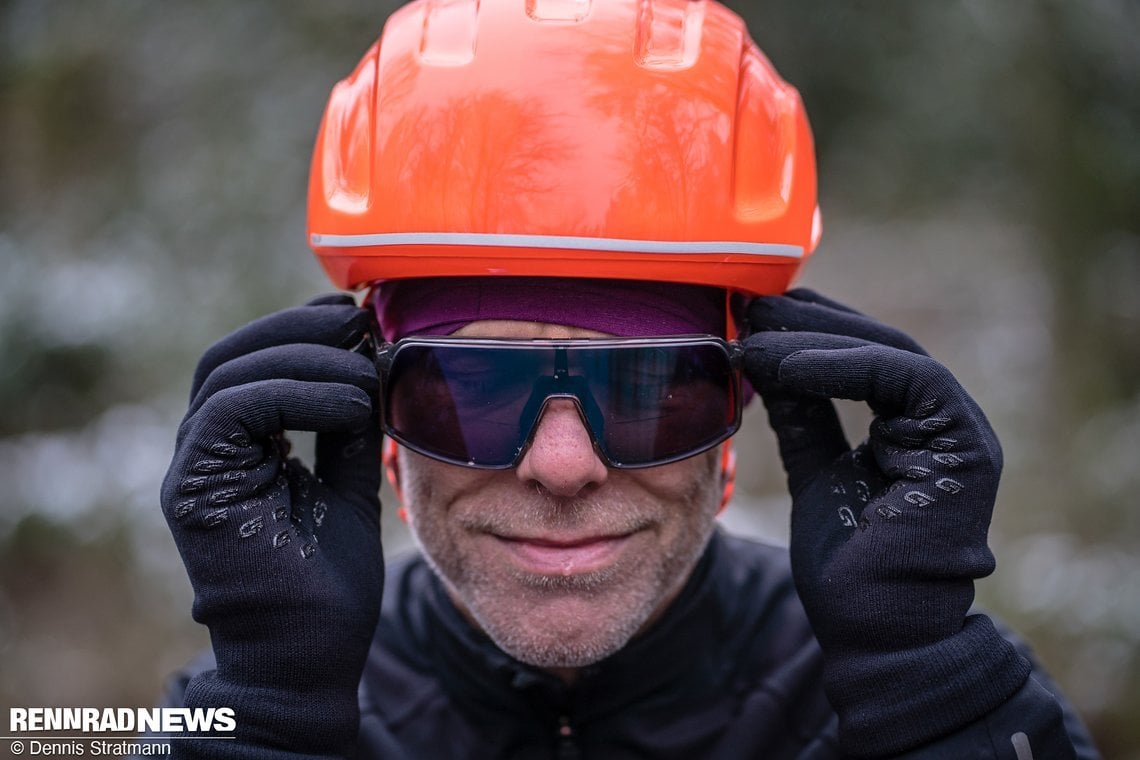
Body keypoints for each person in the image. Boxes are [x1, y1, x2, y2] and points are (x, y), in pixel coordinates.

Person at [154, 1, 1099, 757]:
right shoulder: (273, 694)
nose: (562, 467)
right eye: (471, 388)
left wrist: (928, 698)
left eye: (650, 391)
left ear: (740, 414)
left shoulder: (912, 683)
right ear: (380, 425)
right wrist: (262, 717)